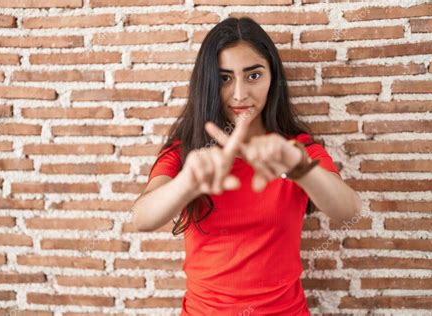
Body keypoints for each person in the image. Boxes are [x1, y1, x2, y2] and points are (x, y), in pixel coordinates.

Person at [132, 17, 361, 315]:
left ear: (272, 77)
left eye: (253, 76)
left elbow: (350, 210)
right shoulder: (185, 151)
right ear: (209, 83)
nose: (240, 94)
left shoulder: (297, 150)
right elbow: (142, 217)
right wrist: (186, 183)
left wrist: (300, 169)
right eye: (225, 78)